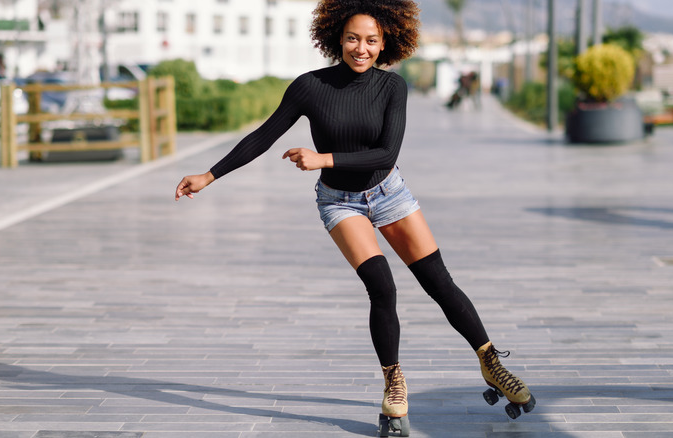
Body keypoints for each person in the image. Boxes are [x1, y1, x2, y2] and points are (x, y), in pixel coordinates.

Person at [174, 0, 535, 432]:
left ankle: (490, 361)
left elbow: (386, 152)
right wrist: (209, 175)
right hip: (340, 202)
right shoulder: (309, 86)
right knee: (381, 287)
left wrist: (321, 157)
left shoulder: (392, 88)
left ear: (386, 44)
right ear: (336, 39)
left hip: (389, 193)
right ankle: (393, 382)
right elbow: (264, 135)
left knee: (439, 281)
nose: (360, 48)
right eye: (352, 38)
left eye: (371, 40)